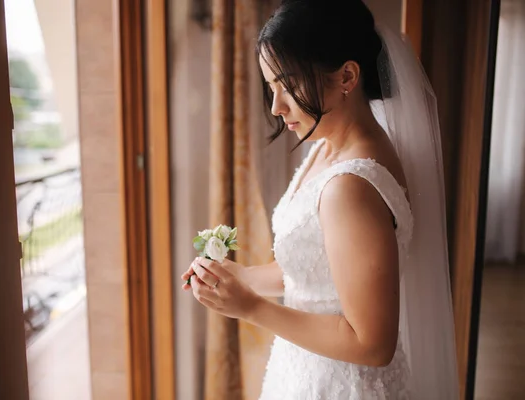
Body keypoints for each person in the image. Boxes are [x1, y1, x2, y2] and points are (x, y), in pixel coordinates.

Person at [181, 0, 459, 398]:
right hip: (304, 371)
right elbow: (316, 267)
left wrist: (251, 308)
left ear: (346, 76)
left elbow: (373, 344)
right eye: (271, 87)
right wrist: (238, 278)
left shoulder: (351, 187)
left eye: (288, 85)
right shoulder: (327, 147)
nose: (277, 108)